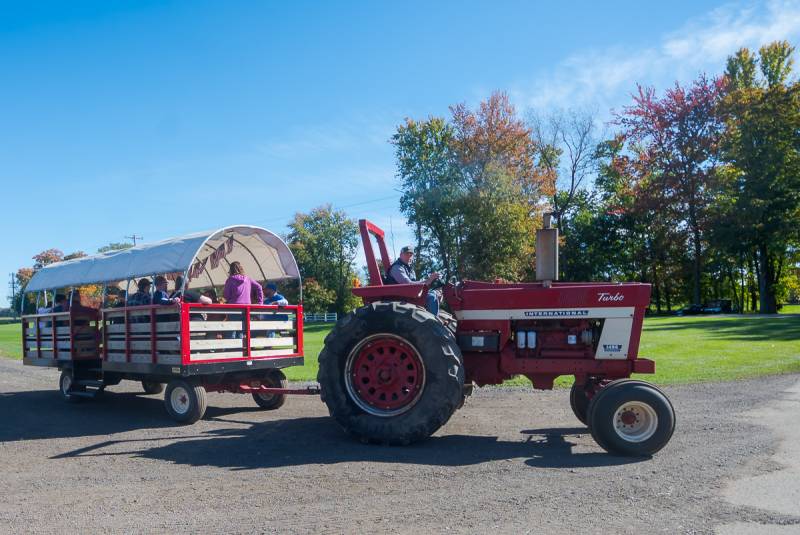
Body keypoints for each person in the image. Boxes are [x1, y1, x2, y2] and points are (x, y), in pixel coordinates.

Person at [387, 245, 440, 315]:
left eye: (411, 255)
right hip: (400, 297)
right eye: (406, 254)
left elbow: (414, 285)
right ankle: (433, 323)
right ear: (401, 255)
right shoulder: (397, 268)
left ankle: (433, 319)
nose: (409, 257)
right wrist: (428, 280)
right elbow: (408, 285)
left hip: (408, 294)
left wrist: (430, 282)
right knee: (431, 296)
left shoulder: (410, 270)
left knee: (434, 293)